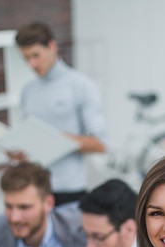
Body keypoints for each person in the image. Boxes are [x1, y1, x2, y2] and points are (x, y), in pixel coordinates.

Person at [15, 21, 107, 205]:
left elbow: (100, 144)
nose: (31, 64)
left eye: (35, 55)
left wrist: (55, 139)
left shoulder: (81, 86)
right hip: (34, 190)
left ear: (52, 46)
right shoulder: (27, 90)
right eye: (26, 58)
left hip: (69, 191)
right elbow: (27, 137)